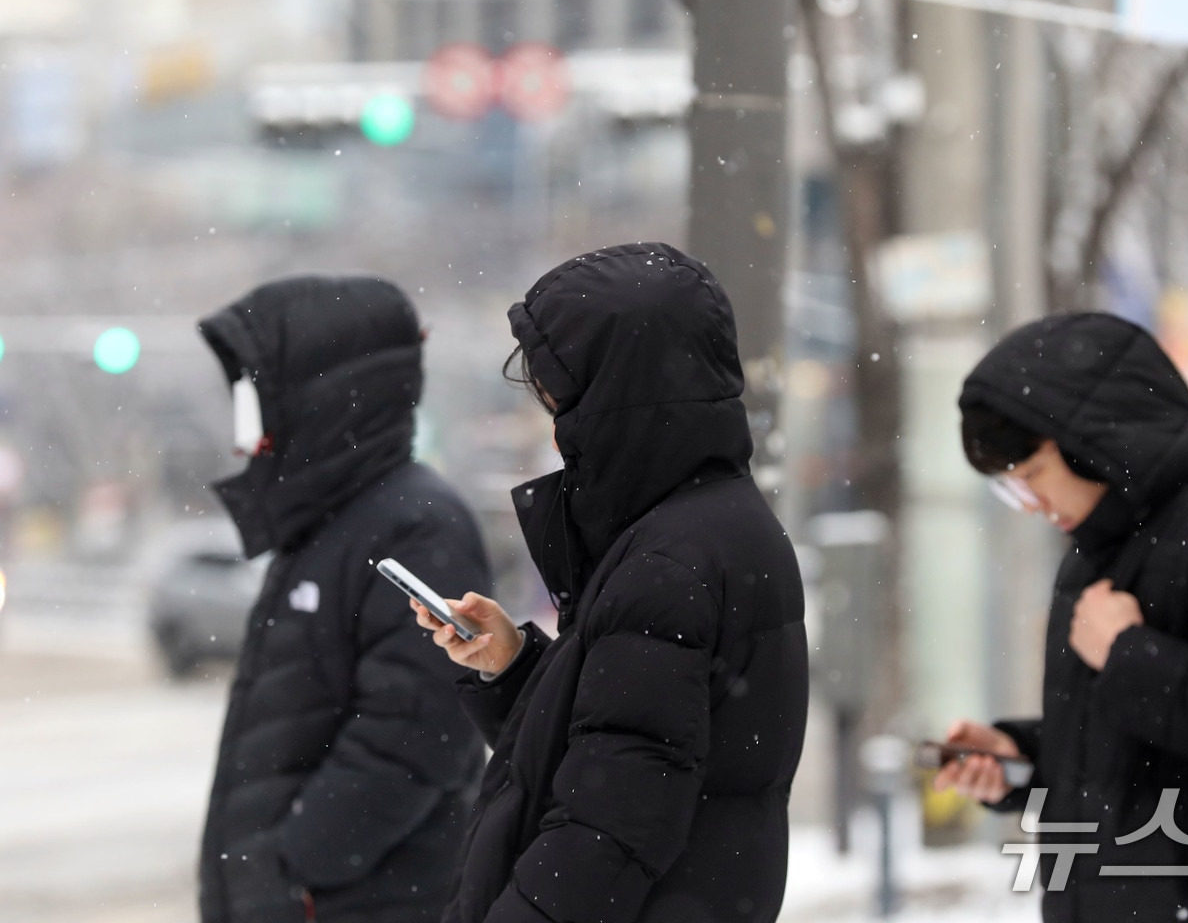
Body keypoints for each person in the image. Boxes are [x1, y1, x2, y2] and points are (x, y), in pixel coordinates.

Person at [413, 243, 810, 923]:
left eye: (558, 388)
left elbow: (608, 825)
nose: (550, 410)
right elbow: (626, 743)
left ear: (615, 390)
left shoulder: (668, 562)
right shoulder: (713, 524)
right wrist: (514, 668)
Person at [935, 311, 1188, 923]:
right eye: (1011, 489)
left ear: (1092, 441)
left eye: (1034, 475)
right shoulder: (1093, 555)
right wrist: (1016, 756)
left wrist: (1128, 653)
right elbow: (1130, 752)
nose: (1032, 504)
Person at [195, 275, 494, 923]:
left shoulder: (414, 523)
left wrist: (299, 866)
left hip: (360, 903)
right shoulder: (327, 522)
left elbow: (421, 730)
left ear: (319, 397)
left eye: (257, 391)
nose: (248, 421)